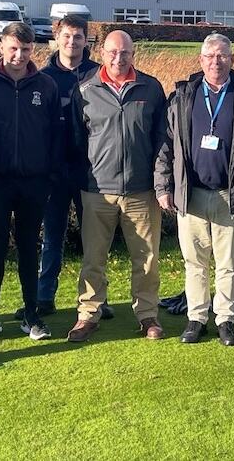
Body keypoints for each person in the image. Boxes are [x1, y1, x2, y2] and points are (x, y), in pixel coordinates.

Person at [155, 33, 234, 346]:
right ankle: (196, 318)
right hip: (191, 193)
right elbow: (166, 144)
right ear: (201, 60)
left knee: (227, 263)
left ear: (233, 60)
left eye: (222, 56)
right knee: (195, 263)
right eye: (209, 56)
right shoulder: (184, 95)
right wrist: (163, 185)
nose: (215, 61)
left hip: (230, 193)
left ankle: (224, 319)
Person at [65, 30, 167, 342]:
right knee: (94, 259)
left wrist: (159, 183)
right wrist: (84, 179)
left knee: (147, 259)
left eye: (125, 53)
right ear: (102, 52)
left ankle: (147, 315)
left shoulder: (150, 88)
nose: (118, 59)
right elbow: (74, 141)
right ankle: (88, 315)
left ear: (133, 54)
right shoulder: (85, 90)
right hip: (97, 191)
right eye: (112, 52)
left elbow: (161, 141)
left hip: (141, 190)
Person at [0, 22, 61, 343]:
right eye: (13, 49)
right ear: (1, 48)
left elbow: (54, 137)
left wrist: (48, 175)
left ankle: (31, 315)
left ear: (33, 49)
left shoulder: (45, 85)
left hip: (34, 184)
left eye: (25, 49)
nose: (19, 55)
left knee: (27, 249)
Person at [28, 15, 114, 320]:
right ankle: (44, 296)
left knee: (95, 239)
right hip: (54, 171)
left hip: (90, 170)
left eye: (78, 37)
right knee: (53, 236)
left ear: (86, 41)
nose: (72, 42)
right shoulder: (43, 77)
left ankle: (96, 299)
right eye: (66, 36)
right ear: (56, 38)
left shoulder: (98, 74)